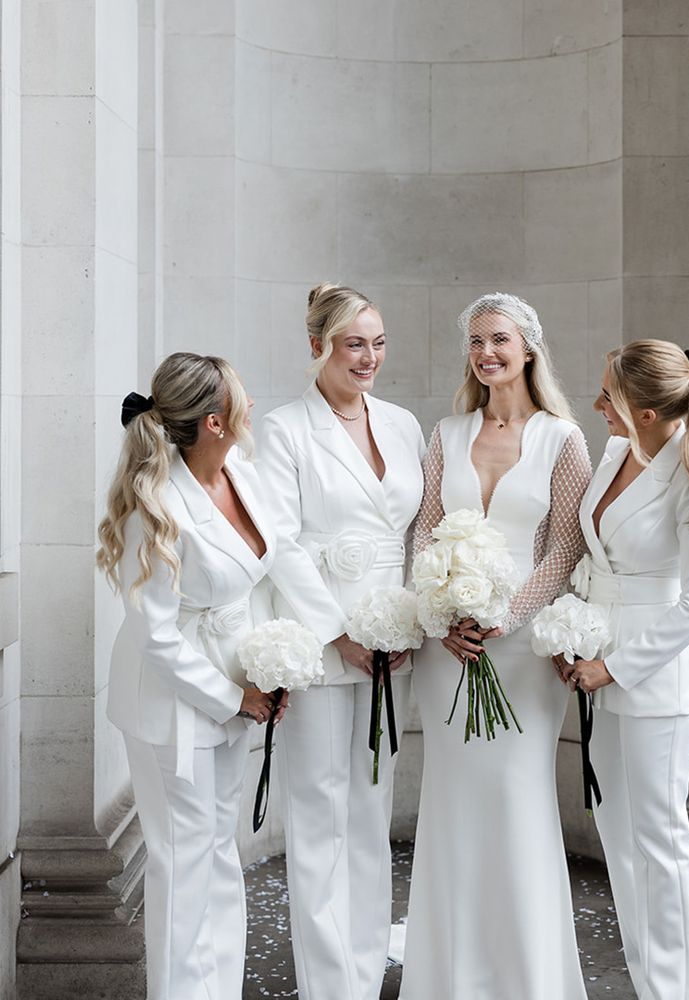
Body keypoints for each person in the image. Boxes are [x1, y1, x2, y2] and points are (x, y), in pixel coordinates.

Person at [98, 352, 344, 1000]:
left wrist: (284, 658)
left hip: (239, 695)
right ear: (213, 421)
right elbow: (155, 635)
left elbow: (273, 563)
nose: (253, 406)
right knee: (183, 870)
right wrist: (235, 695)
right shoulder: (152, 507)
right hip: (173, 705)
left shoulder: (241, 470)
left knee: (218, 858)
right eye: (241, 398)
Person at [399, 292, 592, 1000]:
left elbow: (566, 544)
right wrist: (442, 606)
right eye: (476, 341)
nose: (486, 353)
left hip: (518, 650)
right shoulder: (446, 433)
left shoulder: (562, 438)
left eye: (499, 339)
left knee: (516, 798)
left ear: (528, 348)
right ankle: (449, 977)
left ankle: (526, 978)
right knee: (452, 800)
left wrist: (503, 613)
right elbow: (423, 529)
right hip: (448, 648)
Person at [256, 284, 425, 1000]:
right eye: (355, 343)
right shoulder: (284, 429)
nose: (370, 357)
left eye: (379, 342)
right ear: (317, 345)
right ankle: (329, 986)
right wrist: (338, 631)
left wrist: (416, 616)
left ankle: (362, 969)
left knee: (370, 812)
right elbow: (280, 543)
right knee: (321, 812)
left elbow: (419, 531)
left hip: (397, 640)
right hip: (325, 640)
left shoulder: (403, 423)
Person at [561, 339, 689, 1000]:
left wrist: (615, 666)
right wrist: (572, 626)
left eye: (608, 393)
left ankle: (675, 988)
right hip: (595, 662)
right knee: (618, 836)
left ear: (641, 409)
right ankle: (649, 979)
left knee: (658, 840)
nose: (597, 403)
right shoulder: (615, 451)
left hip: (656, 680)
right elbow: (598, 556)